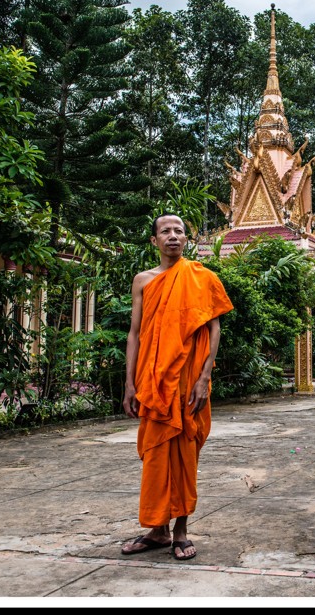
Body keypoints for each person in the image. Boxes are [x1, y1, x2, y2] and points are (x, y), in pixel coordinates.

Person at [120, 213, 233, 560]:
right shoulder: (143, 281)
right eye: (165, 231)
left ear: (187, 239)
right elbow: (136, 332)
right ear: (154, 241)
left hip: (188, 381)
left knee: (185, 452)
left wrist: (204, 378)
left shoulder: (202, 277)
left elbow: (213, 330)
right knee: (155, 454)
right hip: (154, 382)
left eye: (179, 231)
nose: (172, 235)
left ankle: (181, 530)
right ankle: (157, 530)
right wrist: (129, 383)